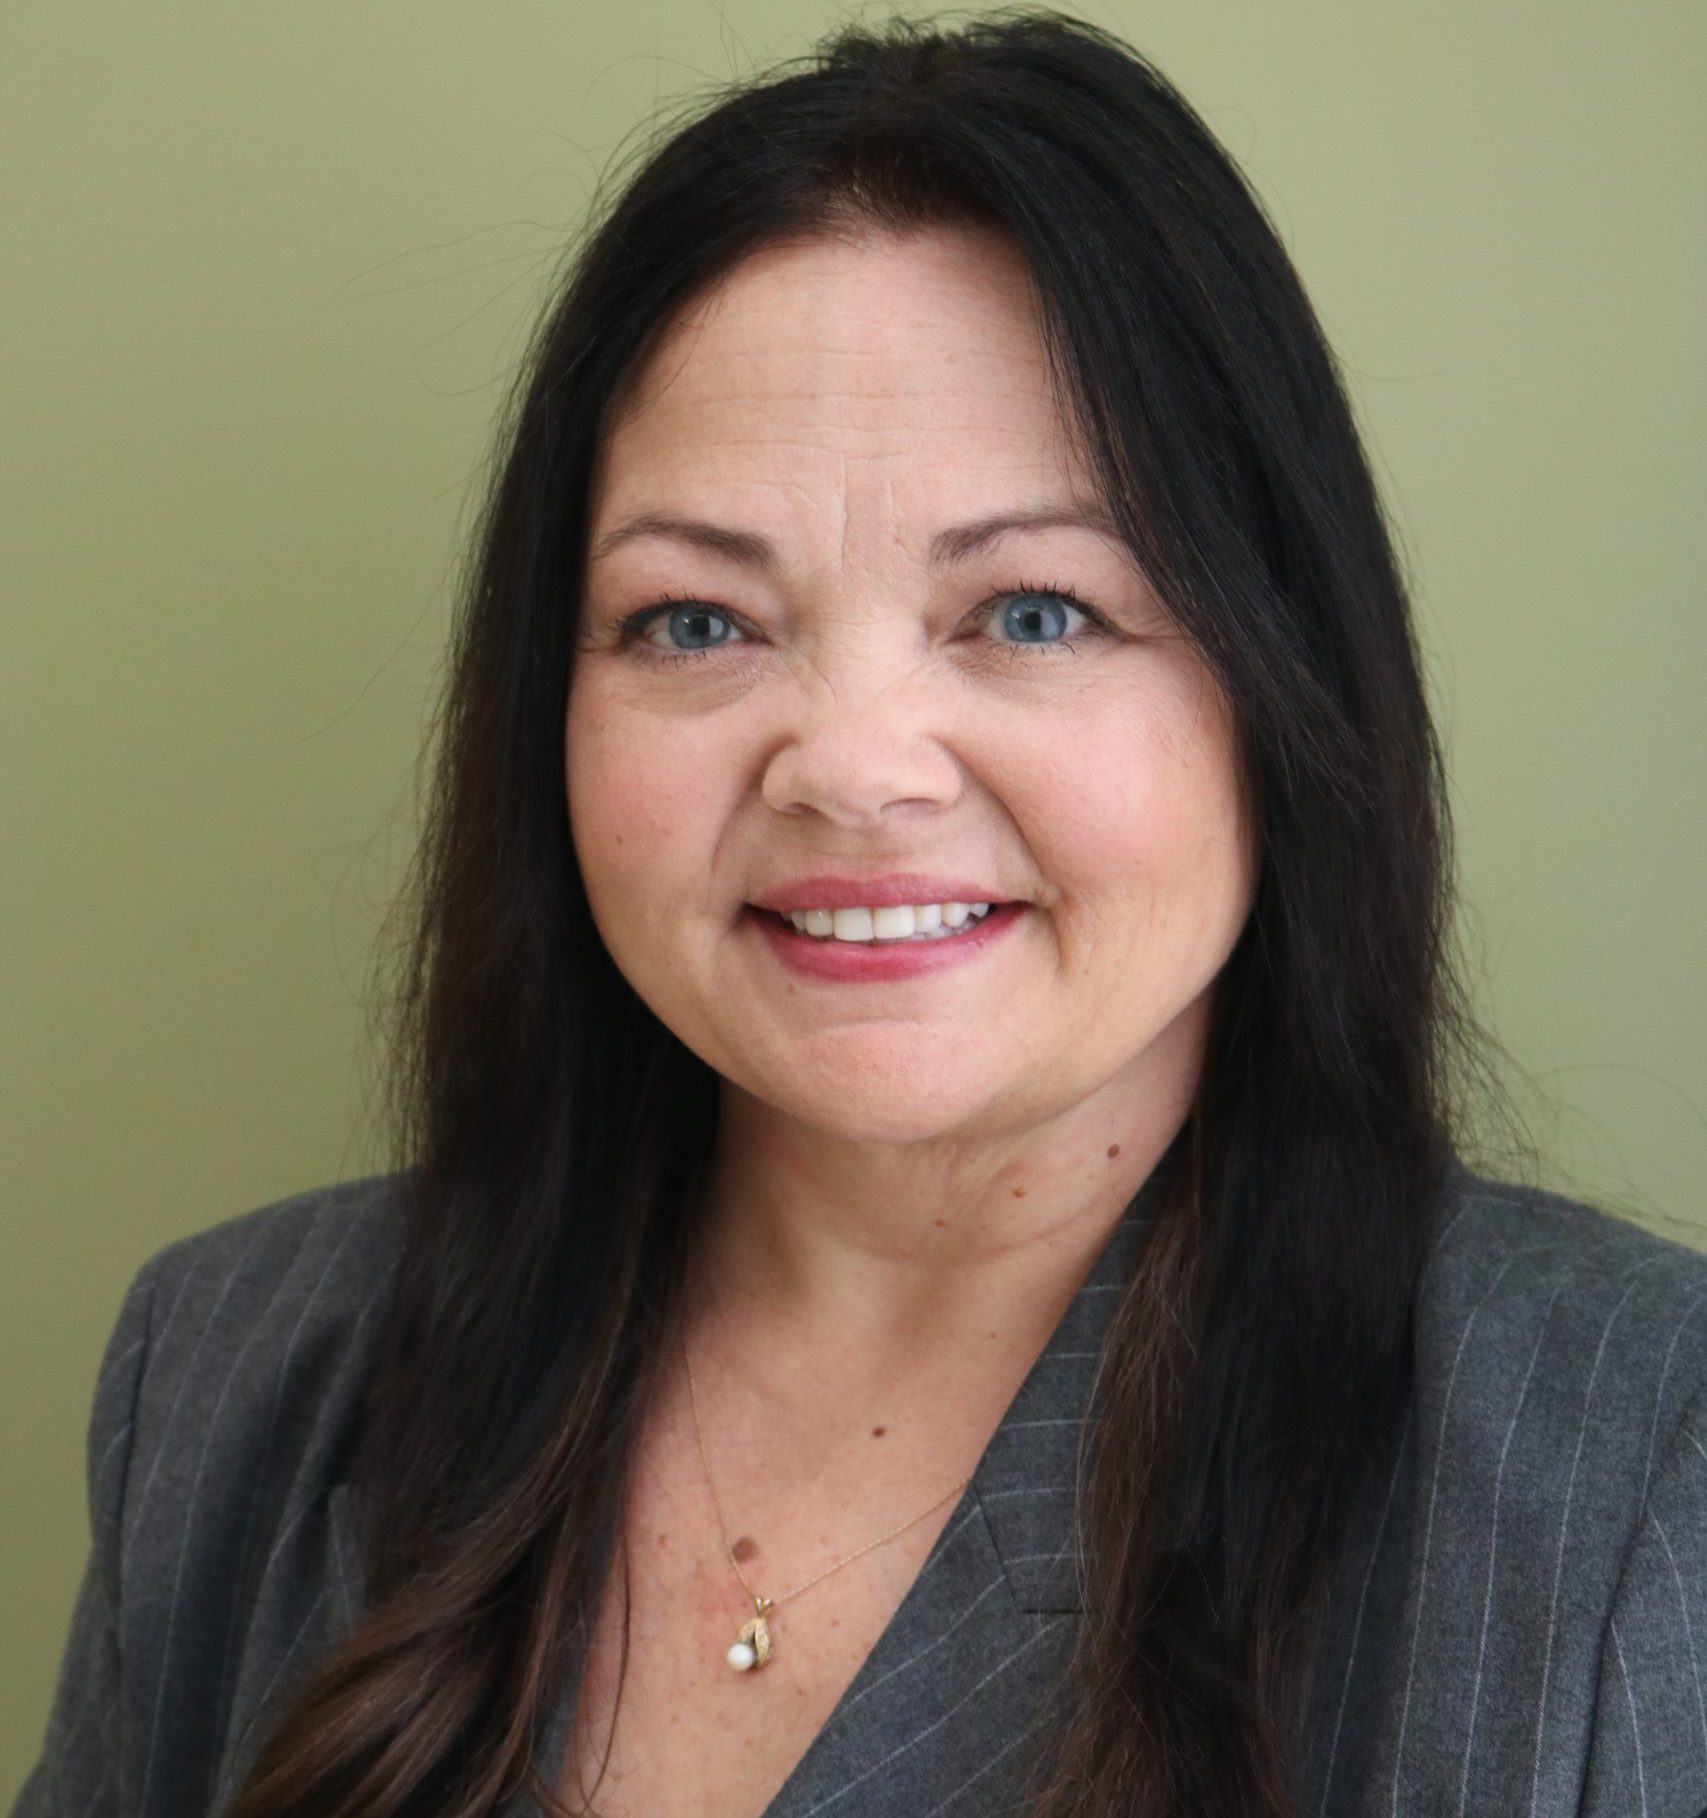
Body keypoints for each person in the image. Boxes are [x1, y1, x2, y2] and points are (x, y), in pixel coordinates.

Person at [15, 11, 1706, 1818]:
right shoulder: (226, 1386)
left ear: (1282, 688)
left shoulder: (1635, 1478)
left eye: (1034, 610)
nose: (850, 766)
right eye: (697, 622)